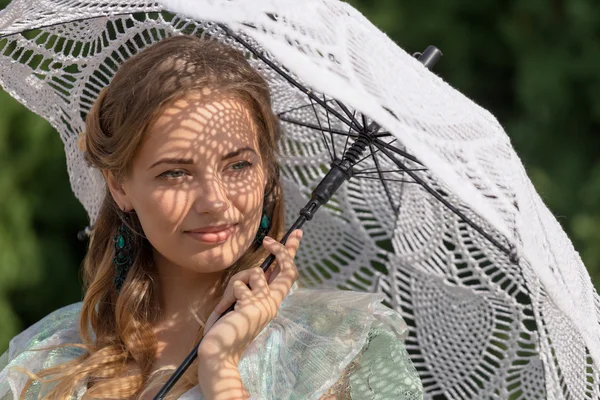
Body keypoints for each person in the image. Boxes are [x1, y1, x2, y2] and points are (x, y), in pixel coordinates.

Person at [0, 35, 424, 399]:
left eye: (238, 165)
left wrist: (221, 368)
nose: (215, 202)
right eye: (176, 173)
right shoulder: (52, 354)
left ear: (266, 172)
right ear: (119, 185)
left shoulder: (335, 345)